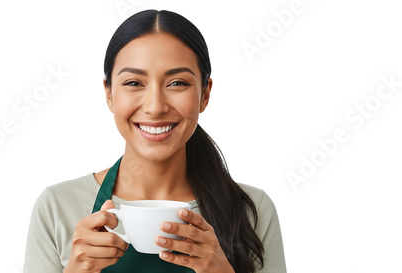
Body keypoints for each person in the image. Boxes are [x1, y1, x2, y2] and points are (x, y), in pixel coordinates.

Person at [23, 9, 286, 273]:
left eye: (177, 83)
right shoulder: (56, 207)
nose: (155, 107)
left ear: (205, 94)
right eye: (134, 82)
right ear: (109, 94)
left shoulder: (252, 210)